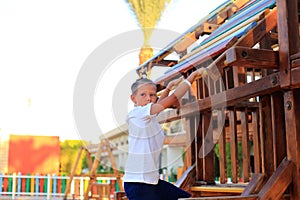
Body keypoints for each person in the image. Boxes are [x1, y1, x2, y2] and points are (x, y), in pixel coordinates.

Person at [123, 68, 207, 200]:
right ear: (133, 98)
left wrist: (168, 87)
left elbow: (161, 104)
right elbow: (173, 98)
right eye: (143, 95)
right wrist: (192, 77)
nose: (149, 99)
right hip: (138, 184)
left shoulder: (148, 116)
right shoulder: (138, 114)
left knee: (185, 198)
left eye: (152, 95)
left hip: (152, 182)